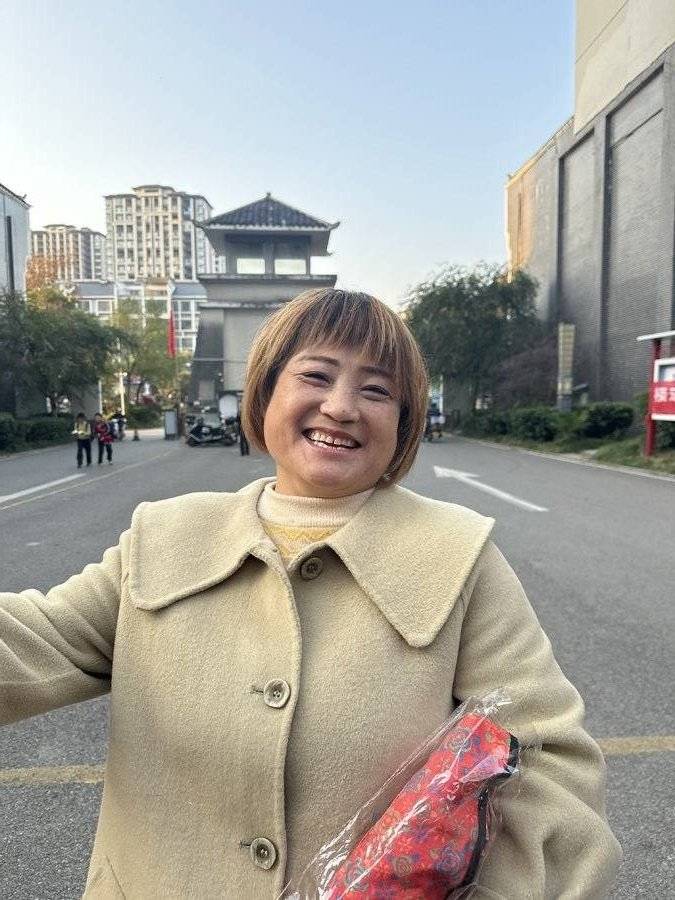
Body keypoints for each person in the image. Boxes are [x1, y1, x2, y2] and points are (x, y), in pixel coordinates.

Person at [0, 289, 621, 899]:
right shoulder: (164, 536)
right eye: (316, 376)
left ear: (404, 422)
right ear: (265, 392)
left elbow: (549, 763)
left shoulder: (461, 556)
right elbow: (34, 644)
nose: (341, 407)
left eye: (377, 391)